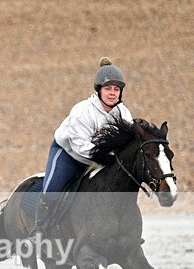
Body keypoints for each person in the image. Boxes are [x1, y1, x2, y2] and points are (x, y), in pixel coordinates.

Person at [29, 57, 134, 238]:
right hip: (69, 154)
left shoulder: (123, 114)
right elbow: (79, 146)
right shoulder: (82, 111)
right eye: (108, 88)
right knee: (53, 189)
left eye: (116, 89)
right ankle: (38, 230)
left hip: (102, 159)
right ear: (98, 90)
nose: (112, 93)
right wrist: (104, 155)